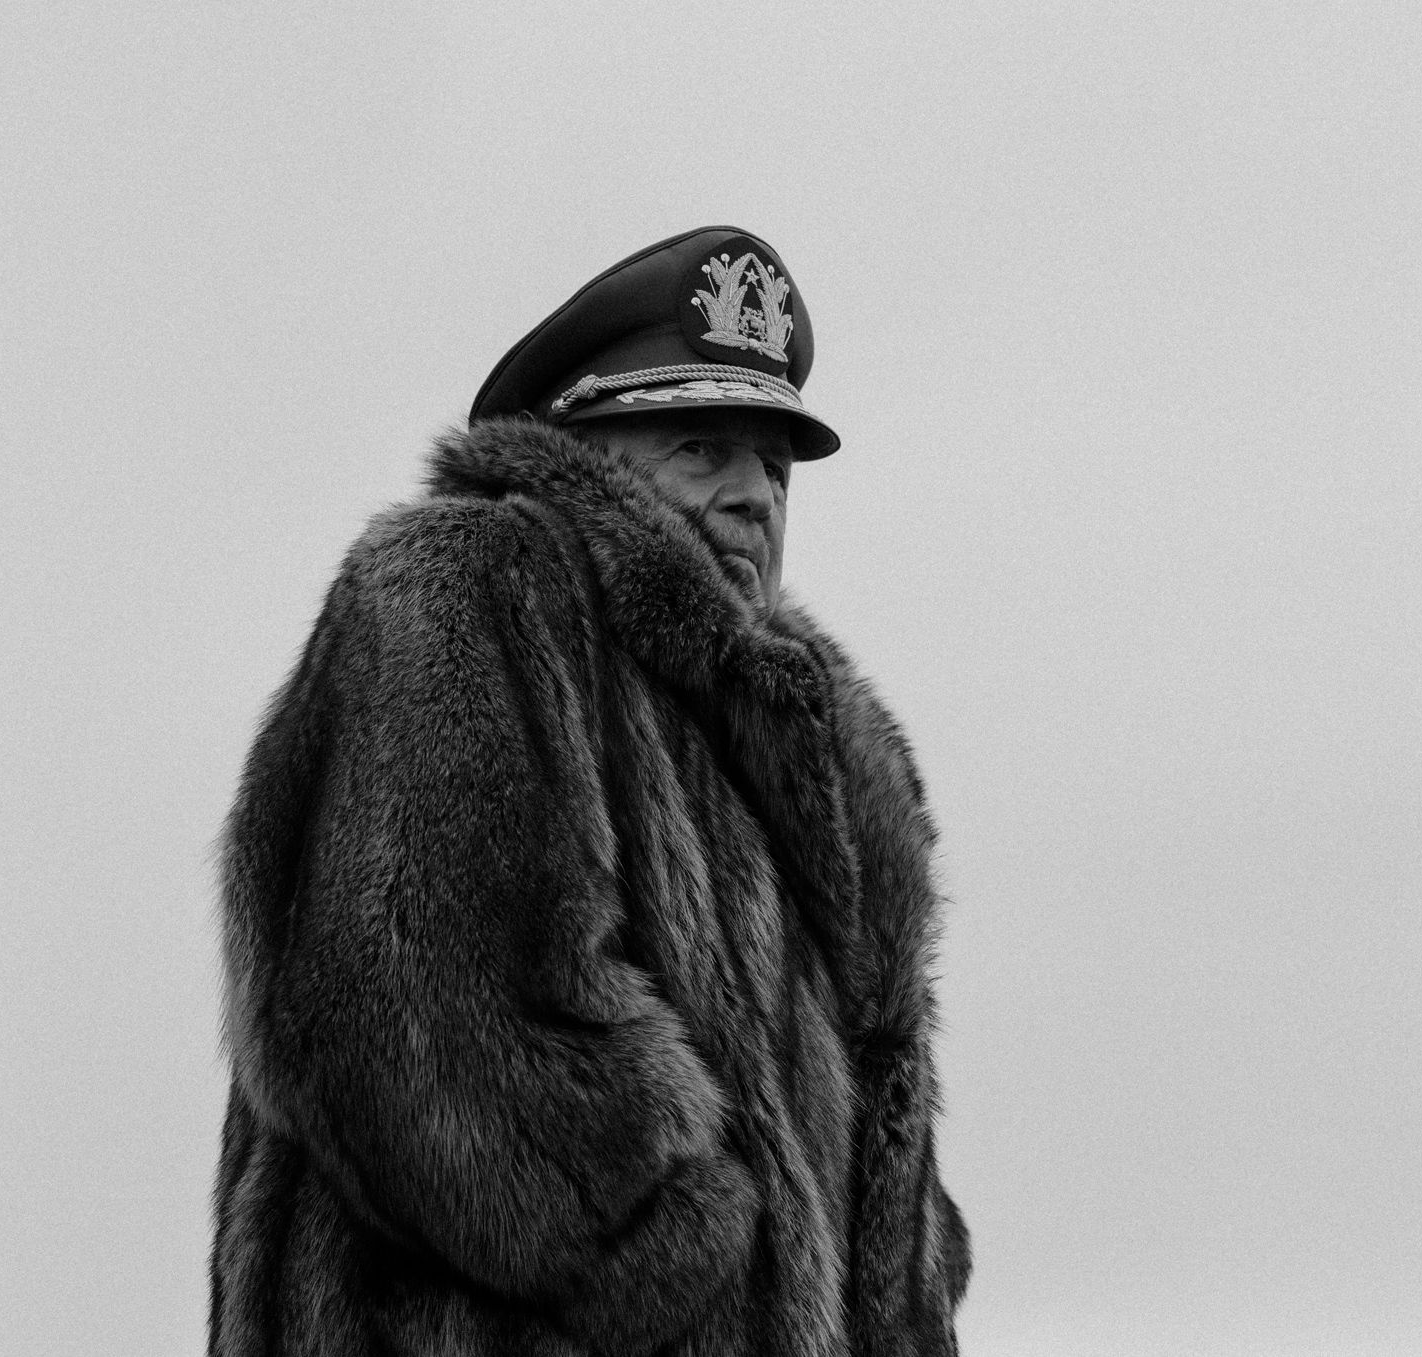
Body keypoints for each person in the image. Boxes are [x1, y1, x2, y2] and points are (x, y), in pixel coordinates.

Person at [209, 227, 969, 1356]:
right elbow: (424, 1032)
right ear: (583, 449)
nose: (755, 496)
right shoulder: (471, 589)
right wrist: (693, 1258)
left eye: (775, 465)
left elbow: (873, 1136)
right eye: (703, 446)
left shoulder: (805, 740)